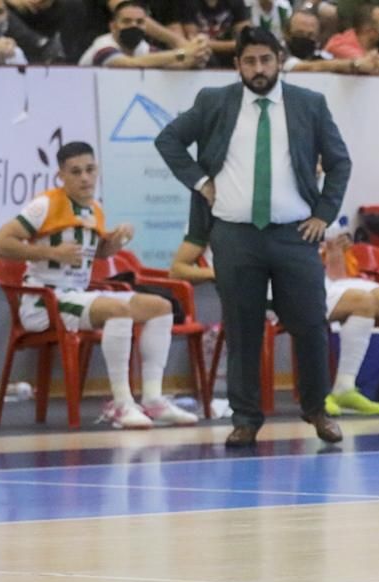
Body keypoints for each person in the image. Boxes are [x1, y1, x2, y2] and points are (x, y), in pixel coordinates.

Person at [155, 26, 351, 448]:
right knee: (242, 329)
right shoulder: (214, 102)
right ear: (236, 64)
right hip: (233, 235)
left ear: (279, 60)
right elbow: (168, 139)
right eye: (249, 61)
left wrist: (323, 214)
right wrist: (199, 179)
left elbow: (339, 162)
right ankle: (245, 418)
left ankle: (317, 409)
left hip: (293, 233)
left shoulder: (309, 104)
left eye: (265, 60)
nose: (258, 69)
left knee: (311, 324)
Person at [0, 142, 200, 429]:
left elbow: (95, 254)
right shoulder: (45, 205)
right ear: (61, 175)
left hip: (78, 295)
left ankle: (152, 400)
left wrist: (114, 242)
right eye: (76, 172)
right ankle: (122, 404)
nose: (85, 178)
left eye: (90, 170)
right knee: (116, 309)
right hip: (44, 301)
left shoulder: (94, 209)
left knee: (160, 307)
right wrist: (50, 253)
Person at [79, 0, 212, 67]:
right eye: (127, 21)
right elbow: (131, 64)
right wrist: (184, 53)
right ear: (113, 26)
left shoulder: (143, 48)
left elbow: (170, 63)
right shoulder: (103, 47)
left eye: (139, 22)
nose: (133, 26)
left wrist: (197, 55)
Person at [280, 8, 379, 72]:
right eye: (299, 33)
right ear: (287, 33)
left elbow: (334, 65)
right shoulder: (277, 52)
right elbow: (305, 67)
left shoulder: (321, 56)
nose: (305, 38)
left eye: (310, 35)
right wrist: (355, 64)